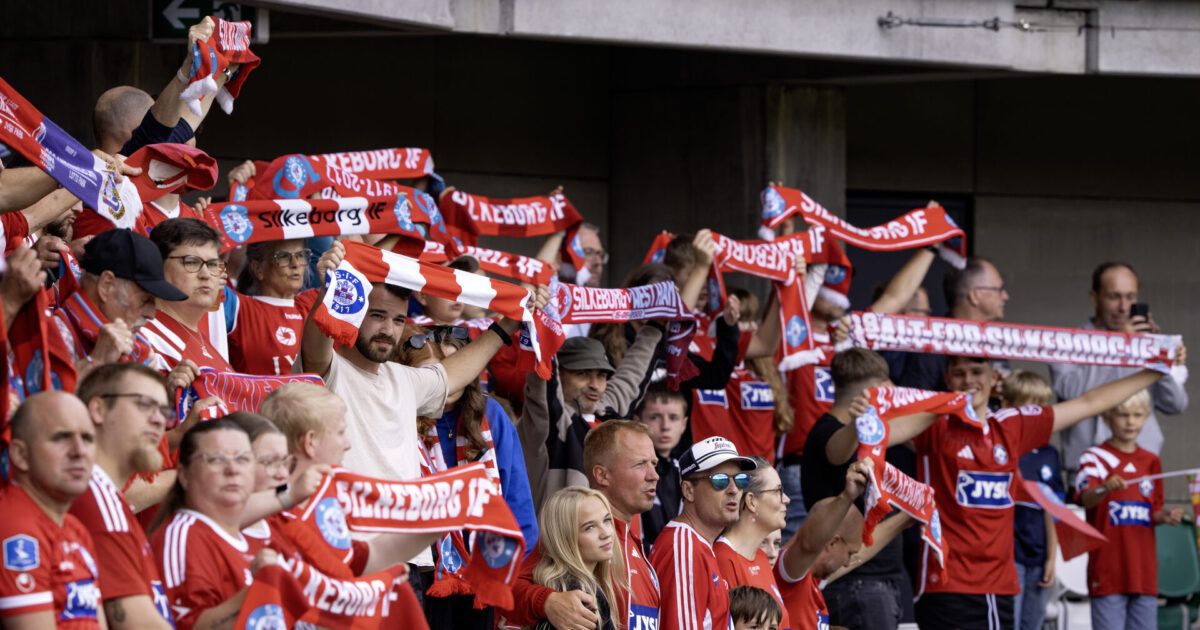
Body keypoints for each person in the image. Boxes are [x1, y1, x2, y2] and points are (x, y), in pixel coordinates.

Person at [911, 354, 1173, 630]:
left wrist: (1158, 369)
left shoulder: (1011, 426)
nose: (968, 381)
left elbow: (1090, 402)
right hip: (943, 584)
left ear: (994, 378)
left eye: (976, 371)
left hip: (996, 583)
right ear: (947, 380)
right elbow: (880, 421)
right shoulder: (934, 423)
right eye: (959, 373)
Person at [800, 348, 938, 630]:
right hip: (855, 585)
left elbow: (913, 422)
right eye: (889, 389)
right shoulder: (828, 434)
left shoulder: (869, 433)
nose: (896, 394)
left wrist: (956, 402)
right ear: (871, 393)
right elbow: (837, 451)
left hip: (873, 583)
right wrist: (856, 423)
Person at [257, 383, 441, 576]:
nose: (347, 444)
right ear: (311, 442)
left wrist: (447, 515)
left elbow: (361, 561)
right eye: (340, 432)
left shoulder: (322, 495)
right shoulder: (265, 518)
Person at [506, 420, 661, 630]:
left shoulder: (634, 545)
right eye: (640, 464)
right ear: (602, 475)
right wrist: (548, 602)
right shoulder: (571, 533)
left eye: (654, 464)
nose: (654, 476)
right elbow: (508, 591)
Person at [1051, 261, 1189, 488]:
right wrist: (1119, 346)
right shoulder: (1069, 341)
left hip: (1140, 472)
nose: (1124, 307)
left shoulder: (1148, 343)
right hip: (1088, 473)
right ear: (1094, 298)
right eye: (1114, 297)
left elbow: (1176, 404)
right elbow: (1068, 390)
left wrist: (1159, 354)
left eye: (1130, 297)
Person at [68, 363, 179, 628]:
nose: (158, 420)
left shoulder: (108, 499)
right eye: (144, 405)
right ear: (98, 410)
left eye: (164, 411)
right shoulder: (93, 496)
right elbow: (138, 623)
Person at [149, 419, 279, 630]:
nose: (232, 469)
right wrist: (260, 587)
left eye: (243, 459)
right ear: (183, 474)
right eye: (216, 459)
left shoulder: (265, 532)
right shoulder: (183, 535)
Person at [1076, 388, 1184, 630]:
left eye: (1137, 415)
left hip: (1143, 573)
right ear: (1107, 417)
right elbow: (1085, 500)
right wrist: (1104, 488)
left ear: (1146, 417)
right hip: (1107, 570)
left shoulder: (1151, 460)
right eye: (1123, 415)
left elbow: (1152, 510)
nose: (1130, 421)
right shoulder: (1094, 457)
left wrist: (1164, 516)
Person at [518, 329, 661, 507]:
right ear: (559, 374)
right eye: (582, 374)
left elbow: (634, 370)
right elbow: (543, 384)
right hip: (560, 534)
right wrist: (541, 326)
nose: (594, 385)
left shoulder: (608, 412)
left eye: (601, 376)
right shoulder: (551, 422)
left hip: (610, 534)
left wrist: (656, 326)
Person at [0, 392, 105, 628]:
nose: (79, 451)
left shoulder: (76, 529)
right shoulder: (15, 529)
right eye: (61, 438)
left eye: (88, 438)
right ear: (20, 454)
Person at [650, 436, 757, 630]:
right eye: (719, 480)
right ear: (689, 491)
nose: (733, 490)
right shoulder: (684, 547)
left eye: (740, 480)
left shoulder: (696, 544)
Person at [53, 229, 187, 378]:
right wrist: (96, 361)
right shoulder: (56, 333)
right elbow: (39, 398)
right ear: (106, 285)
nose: (151, 314)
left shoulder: (141, 349)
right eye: (144, 300)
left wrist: (167, 391)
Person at [1001, 371, 1062, 630]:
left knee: (1032, 623)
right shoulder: (999, 447)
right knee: (1008, 622)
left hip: (1037, 555)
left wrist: (1051, 557)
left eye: (1039, 407)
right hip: (1007, 554)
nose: (1032, 415)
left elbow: (1053, 508)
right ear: (1006, 406)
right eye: (1024, 406)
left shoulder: (1049, 453)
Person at [141, 218, 233, 371]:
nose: (206, 274)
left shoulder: (210, 348)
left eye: (212, 264)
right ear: (157, 266)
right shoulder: (142, 339)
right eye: (191, 262)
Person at [715, 456, 792, 630]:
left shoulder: (762, 558)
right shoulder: (722, 559)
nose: (786, 499)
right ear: (751, 501)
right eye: (778, 491)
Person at [532, 487, 625, 630]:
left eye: (607, 520)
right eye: (589, 527)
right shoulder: (579, 594)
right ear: (565, 538)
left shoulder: (562, 585)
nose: (606, 533)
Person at [226, 239, 319, 375]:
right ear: (258, 269)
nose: (295, 264)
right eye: (283, 257)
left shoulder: (313, 301)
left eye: (300, 255)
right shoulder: (239, 307)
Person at [635, 384, 689, 545]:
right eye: (655, 417)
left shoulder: (687, 473)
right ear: (637, 422)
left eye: (673, 418)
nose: (665, 426)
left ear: (684, 424)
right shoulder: (630, 470)